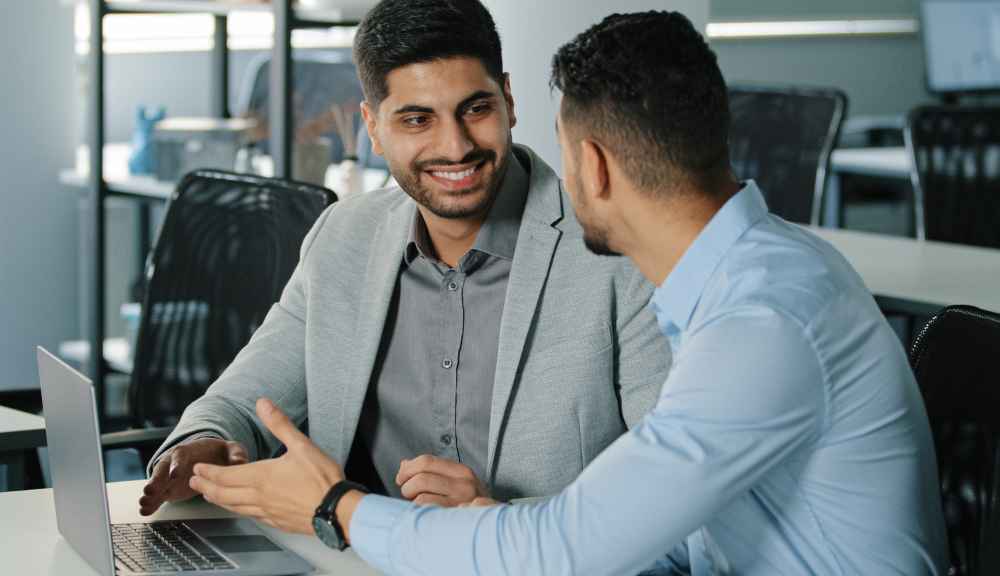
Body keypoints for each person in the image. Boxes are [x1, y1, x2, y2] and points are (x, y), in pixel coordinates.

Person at [187, 10, 949, 575]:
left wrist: (336, 508)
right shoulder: (745, 281)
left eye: (479, 111)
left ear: (591, 165)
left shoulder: (760, 320)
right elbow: (672, 534)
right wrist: (492, 518)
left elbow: (574, 549)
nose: (456, 146)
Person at [139, 0, 669, 516]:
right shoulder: (344, 236)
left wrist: (493, 517)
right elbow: (241, 402)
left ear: (508, 100)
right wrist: (201, 445)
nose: (456, 146)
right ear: (372, 126)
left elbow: (667, 489)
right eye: (417, 120)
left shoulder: (619, 253)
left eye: (475, 109)